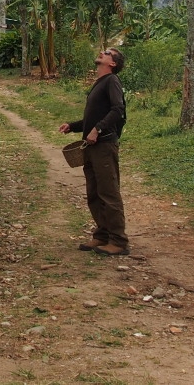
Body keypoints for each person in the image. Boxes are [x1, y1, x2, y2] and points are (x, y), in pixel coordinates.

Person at [57, 47, 129, 256]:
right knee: (94, 193)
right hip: (92, 146)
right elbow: (94, 117)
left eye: (107, 52)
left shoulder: (112, 81)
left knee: (108, 192)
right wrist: (73, 126)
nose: (101, 52)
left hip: (104, 146)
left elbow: (118, 109)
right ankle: (102, 235)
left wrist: (98, 130)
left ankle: (118, 240)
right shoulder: (100, 82)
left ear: (113, 63)